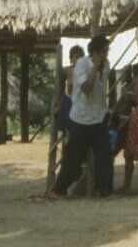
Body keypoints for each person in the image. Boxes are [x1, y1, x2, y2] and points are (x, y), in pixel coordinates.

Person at [46, 35, 113, 199]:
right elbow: (86, 89)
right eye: (104, 52)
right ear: (96, 53)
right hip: (81, 117)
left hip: (98, 116)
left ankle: (106, 191)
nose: (106, 55)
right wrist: (95, 68)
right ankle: (59, 190)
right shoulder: (82, 64)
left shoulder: (106, 65)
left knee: (105, 156)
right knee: (72, 158)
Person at [55, 44, 83, 133]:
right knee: (69, 126)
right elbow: (61, 87)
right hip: (69, 101)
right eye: (76, 57)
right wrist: (59, 102)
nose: (78, 60)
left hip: (81, 101)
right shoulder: (67, 70)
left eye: (81, 57)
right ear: (71, 59)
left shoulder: (86, 71)